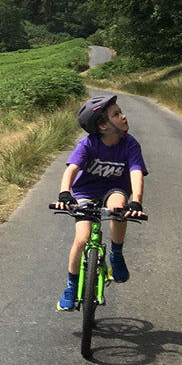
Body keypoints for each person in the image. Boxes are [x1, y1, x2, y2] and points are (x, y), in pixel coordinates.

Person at [55, 94, 147, 311]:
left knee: (118, 208)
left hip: (114, 189)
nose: (123, 116)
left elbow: (136, 172)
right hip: (85, 191)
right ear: (103, 125)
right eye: (116, 114)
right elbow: (72, 169)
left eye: (120, 112)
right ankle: (71, 285)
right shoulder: (89, 143)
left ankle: (116, 253)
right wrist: (64, 194)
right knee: (82, 238)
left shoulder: (130, 144)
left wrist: (137, 202)